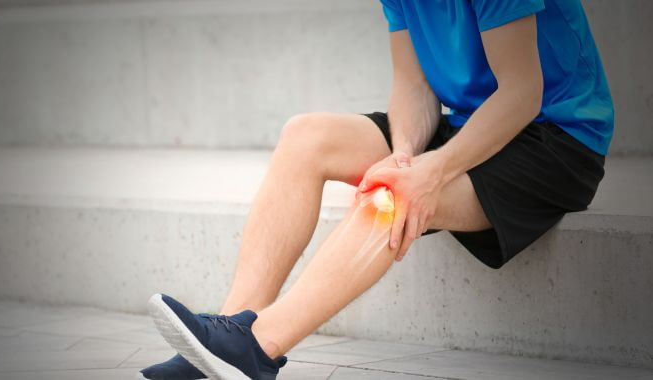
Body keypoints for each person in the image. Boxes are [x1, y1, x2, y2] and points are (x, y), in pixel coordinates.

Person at [139, 0, 613, 378]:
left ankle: (258, 349)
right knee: (306, 138)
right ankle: (226, 337)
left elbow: (521, 93)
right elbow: (412, 84)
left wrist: (429, 173)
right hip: (471, 123)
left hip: (555, 141)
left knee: (392, 197)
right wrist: (405, 155)